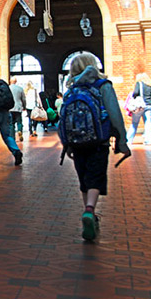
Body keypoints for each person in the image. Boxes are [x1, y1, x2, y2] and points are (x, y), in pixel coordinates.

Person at [62, 54, 130, 240]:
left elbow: (63, 118)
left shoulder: (71, 89)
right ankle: (90, 210)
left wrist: (66, 144)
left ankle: (87, 212)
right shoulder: (102, 85)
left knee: (84, 177)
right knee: (96, 175)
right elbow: (115, 113)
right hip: (99, 140)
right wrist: (122, 141)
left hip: (76, 143)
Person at [127, 73, 151, 145]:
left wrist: (133, 95)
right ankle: (148, 140)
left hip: (140, 105)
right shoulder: (150, 85)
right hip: (149, 105)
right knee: (148, 122)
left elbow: (135, 93)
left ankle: (129, 140)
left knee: (134, 123)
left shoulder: (139, 83)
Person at [9, 77, 26, 142]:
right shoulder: (20, 89)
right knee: (19, 121)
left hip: (10, 108)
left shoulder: (8, 88)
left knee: (11, 123)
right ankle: (19, 131)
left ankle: (12, 137)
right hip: (18, 107)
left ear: (10, 81)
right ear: (16, 81)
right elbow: (23, 99)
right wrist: (24, 106)